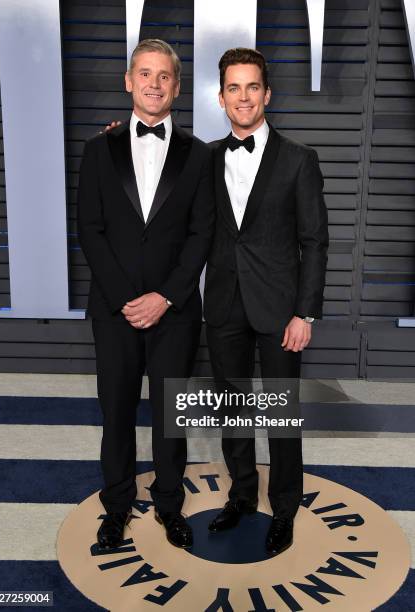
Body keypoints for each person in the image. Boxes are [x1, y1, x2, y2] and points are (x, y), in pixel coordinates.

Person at [77, 39, 215, 550]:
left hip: (175, 313)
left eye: (164, 76)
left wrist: (164, 297)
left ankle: (169, 506)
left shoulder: (199, 155)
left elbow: (203, 234)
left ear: (176, 87)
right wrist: (125, 299)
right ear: (128, 81)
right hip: (113, 312)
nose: (154, 83)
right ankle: (115, 508)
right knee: (115, 414)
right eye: (145, 73)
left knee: (169, 418)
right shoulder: (97, 149)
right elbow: (89, 230)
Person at [204, 48, 329, 556]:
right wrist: (114, 140)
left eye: (252, 87)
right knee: (232, 408)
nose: (243, 97)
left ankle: (284, 509)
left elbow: (315, 241)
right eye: (234, 88)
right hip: (224, 304)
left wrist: (306, 312)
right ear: (221, 97)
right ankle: (240, 496)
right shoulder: (205, 158)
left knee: (280, 414)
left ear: (267, 94)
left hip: (280, 309)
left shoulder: (299, 160)